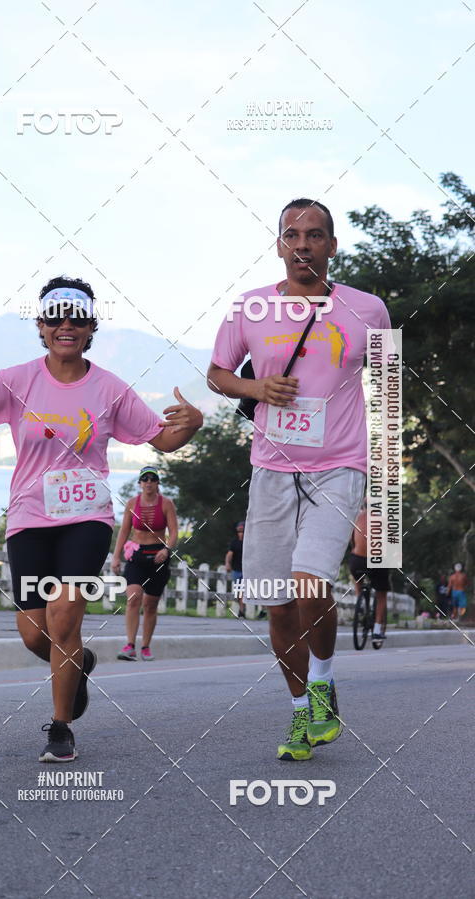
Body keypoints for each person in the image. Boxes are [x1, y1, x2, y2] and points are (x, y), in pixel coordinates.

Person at [0, 276, 202, 763]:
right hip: (30, 519)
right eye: (56, 317)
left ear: (92, 325)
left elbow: (161, 439)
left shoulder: (111, 389)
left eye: (77, 317)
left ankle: (60, 728)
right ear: (42, 326)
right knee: (35, 633)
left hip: (86, 518)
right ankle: (81, 662)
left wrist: (192, 425)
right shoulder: (17, 381)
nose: (66, 326)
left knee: (64, 612)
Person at [207, 198, 392, 761]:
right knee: (276, 602)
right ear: (280, 245)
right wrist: (256, 389)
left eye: (315, 235)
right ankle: (298, 714)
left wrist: (382, 487)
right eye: (292, 235)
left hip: (339, 466)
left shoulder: (369, 310)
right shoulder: (249, 309)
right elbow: (217, 375)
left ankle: (323, 680)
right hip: (270, 468)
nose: (304, 244)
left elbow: (387, 392)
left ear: (333, 246)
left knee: (311, 582)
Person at [111, 466, 178, 660]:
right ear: (140, 483)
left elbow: (173, 532)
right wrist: (116, 556)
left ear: (157, 483)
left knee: (150, 604)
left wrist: (167, 550)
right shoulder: (132, 503)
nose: (148, 482)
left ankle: (146, 646)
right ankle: (130, 645)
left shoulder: (166, 504)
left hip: (158, 556)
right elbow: (124, 531)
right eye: (145, 479)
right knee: (133, 598)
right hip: (137, 555)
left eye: (153, 479)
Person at [348, 500, 390, 647]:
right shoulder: (383, 520)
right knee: (381, 593)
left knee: (357, 577)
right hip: (377, 561)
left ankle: (360, 603)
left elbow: (352, 542)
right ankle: (377, 630)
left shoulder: (355, 518)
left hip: (357, 561)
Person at [225, 521, 247, 617]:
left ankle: (242, 610)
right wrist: (227, 564)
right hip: (237, 570)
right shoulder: (234, 543)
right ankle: (242, 609)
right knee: (238, 592)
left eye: (242, 531)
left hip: (247, 571)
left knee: (243, 591)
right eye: (239, 531)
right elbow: (229, 554)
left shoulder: (249, 542)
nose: (240, 533)